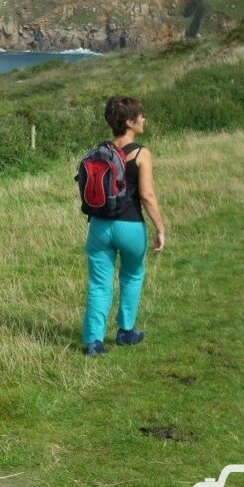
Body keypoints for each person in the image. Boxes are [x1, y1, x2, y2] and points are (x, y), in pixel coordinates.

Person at [82, 96, 166, 357]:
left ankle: (94, 341)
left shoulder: (99, 151)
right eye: (141, 116)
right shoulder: (142, 153)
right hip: (130, 226)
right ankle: (126, 331)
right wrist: (160, 229)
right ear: (130, 122)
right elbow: (147, 196)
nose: (144, 119)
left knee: (99, 283)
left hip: (98, 226)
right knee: (131, 276)